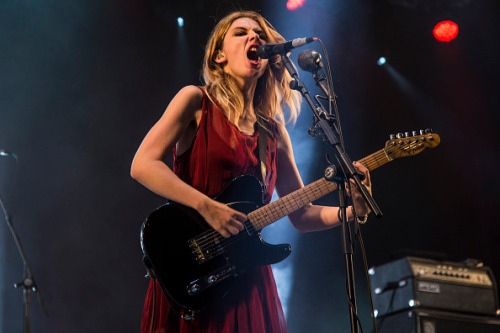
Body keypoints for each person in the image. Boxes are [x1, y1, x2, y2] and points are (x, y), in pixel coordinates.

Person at [131, 10, 372, 333]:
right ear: (219, 56)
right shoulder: (195, 101)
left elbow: (301, 215)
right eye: (240, 33)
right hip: (190, 270)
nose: (253, 38)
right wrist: (208, 207)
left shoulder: (273, 132)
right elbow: (142, 164)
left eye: (258, 34)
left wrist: (352, 210)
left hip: (246, 277)